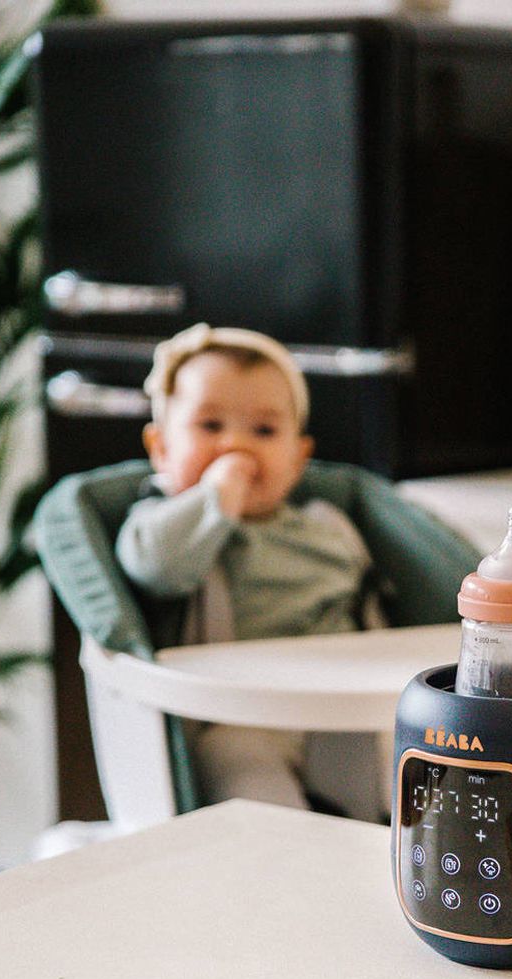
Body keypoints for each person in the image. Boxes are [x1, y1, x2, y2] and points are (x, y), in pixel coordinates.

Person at [116, 322, 381, 811]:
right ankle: (283, 864)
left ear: (299, 458)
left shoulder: (329, 525)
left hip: (344, 706)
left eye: (264, 430)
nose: (236, 445)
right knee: (234, 759)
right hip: (243, 714)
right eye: (210, 426)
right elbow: (154, 567)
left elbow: (372, 602)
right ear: (160, 449)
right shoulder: (165, 522)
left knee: (409, 757)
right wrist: (215, 498)